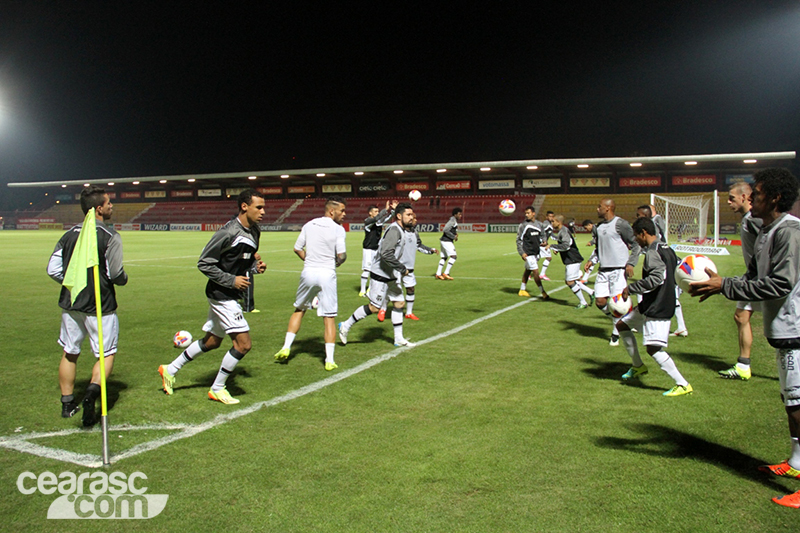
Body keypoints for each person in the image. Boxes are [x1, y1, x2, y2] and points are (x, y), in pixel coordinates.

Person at [690, 167, 800, 508]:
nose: (751, 199)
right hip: (783, 329)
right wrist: (721, 285)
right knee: (790, 399)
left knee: (799, 404)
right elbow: (755, 276)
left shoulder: (790, 232)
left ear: (776, 198)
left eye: (758, 193)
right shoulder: (766, 231)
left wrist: (725, 285)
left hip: (797, 329)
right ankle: (797, 463)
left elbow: (781, 283)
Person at [159, 189, 266, 405]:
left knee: (212, 341)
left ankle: (169, 369)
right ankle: (217, 388)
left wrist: (255, 267)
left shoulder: (255, 231)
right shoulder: (227, 233)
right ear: (244, 206)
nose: (263, 211)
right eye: (259, 207)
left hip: (230, 294)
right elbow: (204, 263)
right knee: (243, 345)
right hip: (221, 294)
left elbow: (240, 261)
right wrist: (231, 280)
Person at [47, 186, 128, 427]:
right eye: (109, 203)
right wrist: (123, 279)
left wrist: (72, 283)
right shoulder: (111, 235)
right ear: (99, 209)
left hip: (71, 303)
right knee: (106, 355)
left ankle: (67, 403)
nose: (112, 206)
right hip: (100, 306)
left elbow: (53, 269)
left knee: (70, 352)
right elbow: (115, 273)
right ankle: (91, 395)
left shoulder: (68, 234)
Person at [617, 217, 692, 396]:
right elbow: (680, 268)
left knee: (653, 348)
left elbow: (657, 280)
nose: (635, 240)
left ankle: (682, 384)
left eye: (636, 236)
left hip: (658, 305)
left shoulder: (652, 252)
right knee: (622, 325)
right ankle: (638, 366)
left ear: (644, 233)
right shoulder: (667, 248)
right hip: (652, 302)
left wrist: (631, 288)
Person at [274, 197, 347, 371]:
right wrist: (334, 263)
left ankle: (286, 347)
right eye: (342, 211)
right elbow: (342, 255)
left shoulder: (309, 225)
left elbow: (297, 248)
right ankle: (329, 360)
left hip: (308, 272)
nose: (344, 214)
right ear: (332, 211)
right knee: (329, 317)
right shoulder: (338, 229)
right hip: (327, 274)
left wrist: (309, 260)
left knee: (299, 309)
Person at [339, 202, 416, 347]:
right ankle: (345, 325)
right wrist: (401, 268)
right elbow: (385, 253)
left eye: (412, 214)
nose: (412, 218)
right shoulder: (394, 230)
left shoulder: (401, 230)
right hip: (381, 274)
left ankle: (398, 338)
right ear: (399, 216)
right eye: (409, 215)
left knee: (399, 303)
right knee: (374, 308)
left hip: (391, 274)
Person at [718, 182, 763, 380]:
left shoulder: (754, 219)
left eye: (732, 198)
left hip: (762, 278)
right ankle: (743, 365)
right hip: (755, 276)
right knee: (741, 317)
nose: (728, 202)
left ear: (745, 197)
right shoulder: (748, 219)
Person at [591, 199, 640, 346]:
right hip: (603, 270)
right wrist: (591, 260)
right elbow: (598, 248)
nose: (597, 209)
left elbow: (636, 243)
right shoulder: (598, 227)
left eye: (599, 206)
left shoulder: (621, 224)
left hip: (618, 269)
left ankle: (615, 333)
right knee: (600, 302)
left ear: (607, 208)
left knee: (616, 302)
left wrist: (631, 263)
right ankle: (621, 321)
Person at [636, 205, 688, 337]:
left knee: (662, 292)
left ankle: (644, 323)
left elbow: (655, 279)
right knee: (670, 295)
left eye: (639, 215)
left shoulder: (651, 231)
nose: (637, 217)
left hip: (663, 260)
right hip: (667, 257)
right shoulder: (654, 232)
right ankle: (681, 327)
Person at [377, 213, 437, 322]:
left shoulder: (414, 233)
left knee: (411, 288)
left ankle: (409, 313)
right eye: (413, 218)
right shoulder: (399, 231)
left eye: (415, 218)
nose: (415, 220)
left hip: (409, 267)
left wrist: (430, 250)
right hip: (396, 267)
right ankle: (383, 309)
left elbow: (419, 245)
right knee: (392, 290)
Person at [550, 215, 593, 308]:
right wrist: (557, 249)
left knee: (570, 282)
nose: (552, 223)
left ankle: (583, 303)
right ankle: (591, 292)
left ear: (559, 222)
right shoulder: (562, 231)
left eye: (553, 221)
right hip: (571, 259)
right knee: (571, 281)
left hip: (573, 259)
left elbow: (566, 246)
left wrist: (552, 246)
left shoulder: (564, 231)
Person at [360, 201, 395, 297]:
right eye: (375, 211)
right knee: (367, 270)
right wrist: (386, 209)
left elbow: (388, 217)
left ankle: (370, 291)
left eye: (377, 211)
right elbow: (376, 218)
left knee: (374, 270)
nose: (377, 213)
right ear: (370, 213)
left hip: (376, 249)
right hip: (368, 249)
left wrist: (394, 210)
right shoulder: (367, 222)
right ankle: (362, 290)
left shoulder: (378, 222)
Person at [515, 206, 548, 299]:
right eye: (525, 213)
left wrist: (544, 241)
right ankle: (543, 292)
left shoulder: (539, 224)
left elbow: (543, 234)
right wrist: (522, 253)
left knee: (528, 271)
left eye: (528, 213)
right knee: (536, 272)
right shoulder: (523, 225)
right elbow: (519, 240)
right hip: (528, 253)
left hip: (536, 252)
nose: (526, 215)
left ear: (533, 213)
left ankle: (522, 290)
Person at [435, 207, 462, 280]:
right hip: (446, 241)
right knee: (453, 256)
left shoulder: (454, 221)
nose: (460, 216)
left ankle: (438, 274)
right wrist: (453, 237)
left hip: (444, 240)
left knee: (444, 257)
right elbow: (445, 230)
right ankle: (446, 273)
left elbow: (451, 229)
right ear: (455, 214)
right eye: (459, 214)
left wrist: (455, 233)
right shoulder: (452, 220)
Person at [538, 210, 556, 280]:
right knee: (548, 257)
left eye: (552, 216)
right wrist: (543, 241)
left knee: (536, 259)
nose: (551, 218)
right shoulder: (546, 224)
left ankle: (529, 274)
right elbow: (540, 232)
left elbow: (551, 235)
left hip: (542, 243)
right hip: (542, 243)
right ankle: (542, 274)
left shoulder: (550, 224)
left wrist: (558, 239)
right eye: (550, 216)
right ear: (546, 217)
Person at [580, 219, 598, 284]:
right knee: (592, 262)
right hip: (600, 249)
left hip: (602, 250)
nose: (586, 230)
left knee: (592, 261)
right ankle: (585, 278)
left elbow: (599, 239)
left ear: (590, 225)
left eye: (586, 228)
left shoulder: (596, 229)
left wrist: (591, 242)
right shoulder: (595, 229)